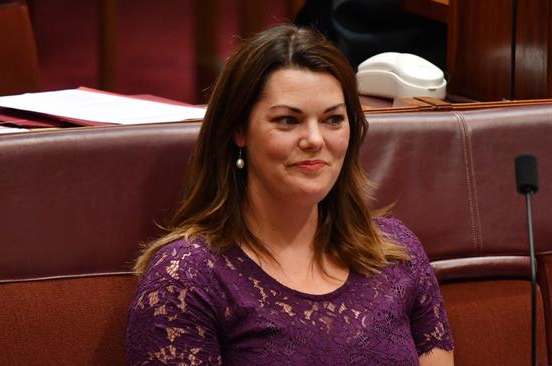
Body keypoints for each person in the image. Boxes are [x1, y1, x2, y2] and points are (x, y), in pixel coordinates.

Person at [126, 24, 454, 365]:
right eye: (287, 120)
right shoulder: (186, 278)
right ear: (239, 130)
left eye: (333, 120)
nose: (314, 139)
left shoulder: (397, 254)